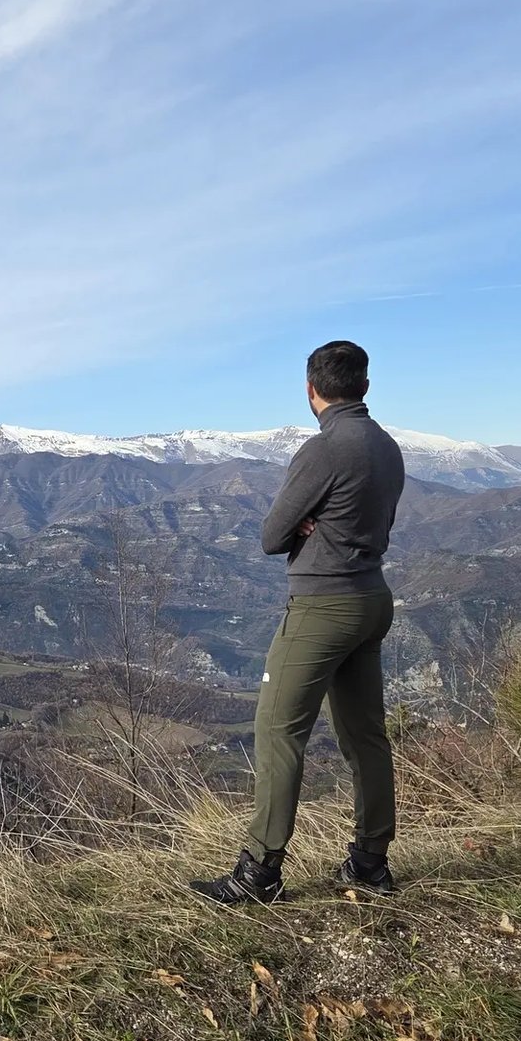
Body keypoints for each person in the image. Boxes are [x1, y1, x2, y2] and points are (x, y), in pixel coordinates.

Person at [192, 341, 406, 904]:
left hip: (322, 606)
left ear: (311, 389)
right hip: (372, 598)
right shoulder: (387, 447)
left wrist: (307, 520)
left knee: (278, 732)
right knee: (365, 735)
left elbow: (270, 537)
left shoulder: (323, 449)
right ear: (364, 384)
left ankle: (259, 872)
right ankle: (370, 863)